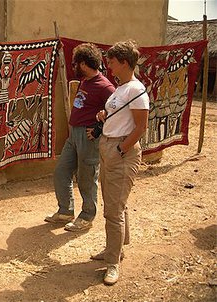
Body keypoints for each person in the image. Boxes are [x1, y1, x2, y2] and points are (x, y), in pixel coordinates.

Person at [91, 40, 149, 285]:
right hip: (110, 146)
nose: (109, 66)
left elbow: (141, 127)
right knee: (116, 203)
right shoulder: (121, 88)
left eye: (112, 62)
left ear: (124, 63)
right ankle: (116, 248)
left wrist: (120, 149)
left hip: (120, 150)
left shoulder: (135, 89)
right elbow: (120, 116)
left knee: (113, 211)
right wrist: (104, 116)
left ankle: (112, 262)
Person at [45, 43, 115, 232]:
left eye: (76, 63)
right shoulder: (86, 81)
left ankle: (86, 217)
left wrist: (98, 129)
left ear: (83, 64)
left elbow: (118, 112)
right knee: (61, 171)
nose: (73, 66)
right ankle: (65, 211)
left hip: (88, 136)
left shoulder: (105, 87)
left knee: (87, 177)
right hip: (74, 135)